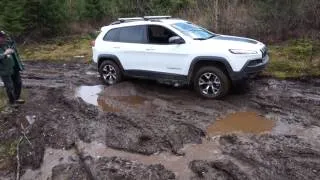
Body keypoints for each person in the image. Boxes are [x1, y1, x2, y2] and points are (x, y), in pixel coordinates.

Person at [0, 31, 24, 107]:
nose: (3, 39)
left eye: (4, 37)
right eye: (2, 37)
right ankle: (12, 102)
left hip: (14, 67)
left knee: (18, 83)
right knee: (9, 86)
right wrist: (4, 54)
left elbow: (12, 43)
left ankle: (16, 98)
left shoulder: (7, 44)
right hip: (4, 70)